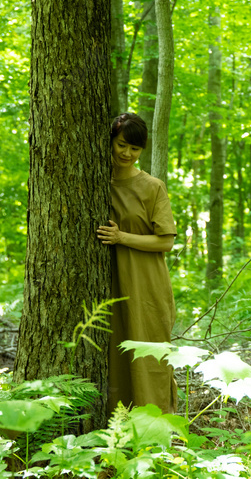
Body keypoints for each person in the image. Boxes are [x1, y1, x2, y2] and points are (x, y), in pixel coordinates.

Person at [96, 113, 178, 415]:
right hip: (111, 285)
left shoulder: (152, 187)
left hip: (147, 285)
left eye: (135, 149)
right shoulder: (94, 181)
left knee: (149, 354)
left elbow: (165, 241)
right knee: (115, 356)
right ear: (109, 142)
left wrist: (121, 238)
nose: (127, 154)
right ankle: (116, 427)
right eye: (121, 145)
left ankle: (155, 426)